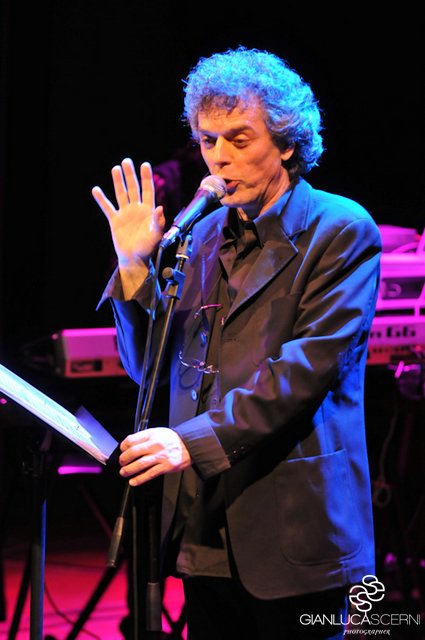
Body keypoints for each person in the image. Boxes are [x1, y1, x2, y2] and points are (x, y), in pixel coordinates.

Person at [92, 46, 382, 640]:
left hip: (293, 528)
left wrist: (189, 442)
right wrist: (133, 266)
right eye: (207, 140)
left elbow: (302, 373)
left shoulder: (341, 230)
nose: (219, 157)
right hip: (203, 528)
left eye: (239, 139)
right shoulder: (198, 238)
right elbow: (148, 371)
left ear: (287, 142)